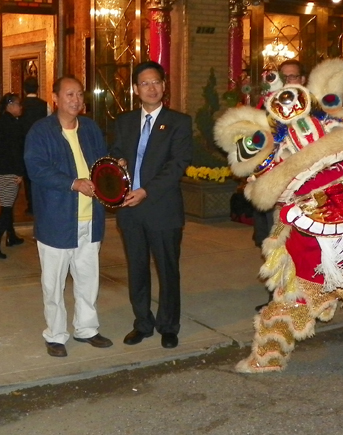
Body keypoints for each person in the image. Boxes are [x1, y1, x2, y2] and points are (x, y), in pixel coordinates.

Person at [24, 75, 112, 358]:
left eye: (79, 94)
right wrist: (72, 183)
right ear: (56, 98)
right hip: (57, 219)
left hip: (90, 218)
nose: (76, 100)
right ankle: (56, 334)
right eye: (69, 94)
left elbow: (100, 161)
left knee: (88, 277)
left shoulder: (90, 129)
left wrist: (112, 168)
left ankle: (86, 328)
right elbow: (36, 168)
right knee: (54, 281)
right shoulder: (41, 131)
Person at [110, 61, 192, 350]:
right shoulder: (124, 121)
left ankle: (169, 325)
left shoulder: (179, 122)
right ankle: (142, 322)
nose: (151, 88)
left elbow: (176, 165)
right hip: (130, 211)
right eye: (145, 83)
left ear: (164, 85)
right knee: (137, 269)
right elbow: (117, 151)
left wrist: (146, 191)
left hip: (162, 209)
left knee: (168, 270)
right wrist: (118, 162)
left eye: (156, 82)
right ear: (136, 89)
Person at [253, 59, 307, 312]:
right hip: (271, 187)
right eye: (283, 77)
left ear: (303, 81)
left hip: (303, 190)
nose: (288, 83)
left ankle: (301, 297)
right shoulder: (265, 109)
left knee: (300, 245)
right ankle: (276, 298)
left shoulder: (312, 110)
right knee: (272, 241)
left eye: (293, 77)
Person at [0, 93, 26, 259]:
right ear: (10, 105)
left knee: (7, 203)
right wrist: (20, 173)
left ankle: (11, 236)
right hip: (8, 171)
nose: (20, 107)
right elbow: (16, 152)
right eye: (18, 104)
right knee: (7, 208)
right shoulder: (14, 125)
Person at [21, 76, 49, 215]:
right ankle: (40, 203)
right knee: (42, 172)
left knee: (27, 175)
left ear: (24, 89)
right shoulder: (45, 104)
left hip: (24, 143)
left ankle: (31, 204)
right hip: (42, 144)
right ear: (37, 88)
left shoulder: (20, 105)